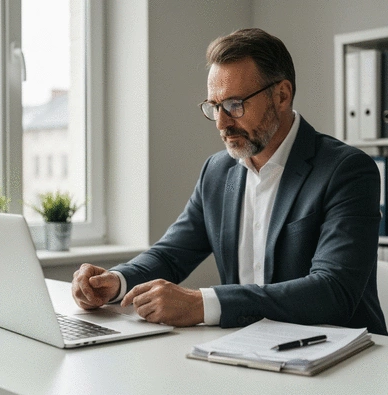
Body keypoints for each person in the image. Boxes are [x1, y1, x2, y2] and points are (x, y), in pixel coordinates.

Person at [72, 28, 387, 335]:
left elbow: (333, 291)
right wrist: (116, 281)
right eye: (215, 106)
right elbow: (171, 254)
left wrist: (203, 304)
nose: (222, 122)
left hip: (341, 359)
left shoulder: (347, 170)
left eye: (235, 105)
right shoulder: (218, 171)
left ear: (281, 95)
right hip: (247, 348)